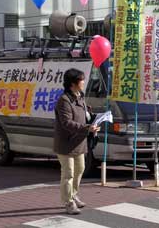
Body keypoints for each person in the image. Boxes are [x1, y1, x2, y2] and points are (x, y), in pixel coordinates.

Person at [54, 68, 100, 215]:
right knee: (68, 174)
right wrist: (87, 128)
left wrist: (95, 119)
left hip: (79, 143)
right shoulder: (64, 101)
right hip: (66, 144)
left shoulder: (80, 96)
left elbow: (85, 115)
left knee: (80, 170)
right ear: (73, 83)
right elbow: (67, 123)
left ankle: (73, 195)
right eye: (81, 80)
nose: (83, 82)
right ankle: (68, 202)